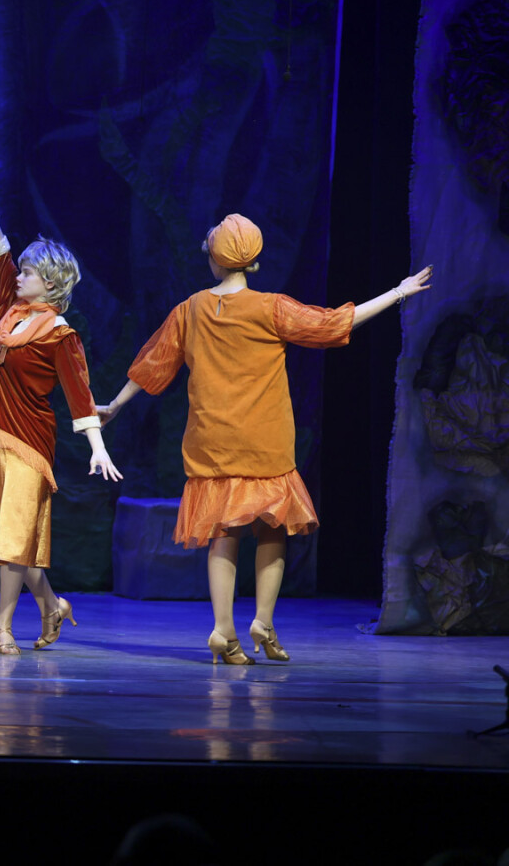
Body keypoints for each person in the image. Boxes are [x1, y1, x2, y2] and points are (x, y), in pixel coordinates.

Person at [97, 214, 432, 663]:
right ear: (252, 261)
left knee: (224, 533)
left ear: (215, 260)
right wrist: (397, 292)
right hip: (264, 441)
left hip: (214, 444)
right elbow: (335, 323)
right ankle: (263, 622)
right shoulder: (271, 308)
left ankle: (222, 629)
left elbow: (154, 363)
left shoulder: (191, 309)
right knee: (273, 529)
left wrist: (115, 404)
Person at [0, 172, 119, 655]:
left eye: (28, 273)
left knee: (14, 539)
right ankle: (53, 605)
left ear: (50, 284)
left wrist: (98, 448)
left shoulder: (61, 336)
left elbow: (80, 396)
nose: (18, 276)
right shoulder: (9, 307)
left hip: (30, 442)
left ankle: (2, 626)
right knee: (12, 538)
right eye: (20, 272)